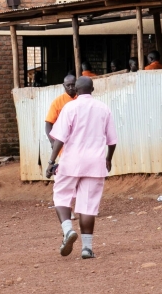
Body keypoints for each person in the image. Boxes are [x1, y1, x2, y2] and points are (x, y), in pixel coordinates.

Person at [45, 76, 118, 259]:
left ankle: (68, 230)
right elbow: (112, 141)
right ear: (92, 89)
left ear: (76, 91)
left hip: (71, 162)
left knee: (61, 196)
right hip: (95, 163)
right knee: (88, 206)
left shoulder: (70, 107)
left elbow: (59, 138)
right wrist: (108, 159)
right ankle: (87, 248)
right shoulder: (103, 108)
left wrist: (51, 162)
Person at [45, 74, 77, 147]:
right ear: (63, 85)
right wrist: (52, 141)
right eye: (68, 85)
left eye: (73, 85)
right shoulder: (57, 102)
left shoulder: (81, 99)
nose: (71, 88)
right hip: (63, 143)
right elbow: (48, 123)